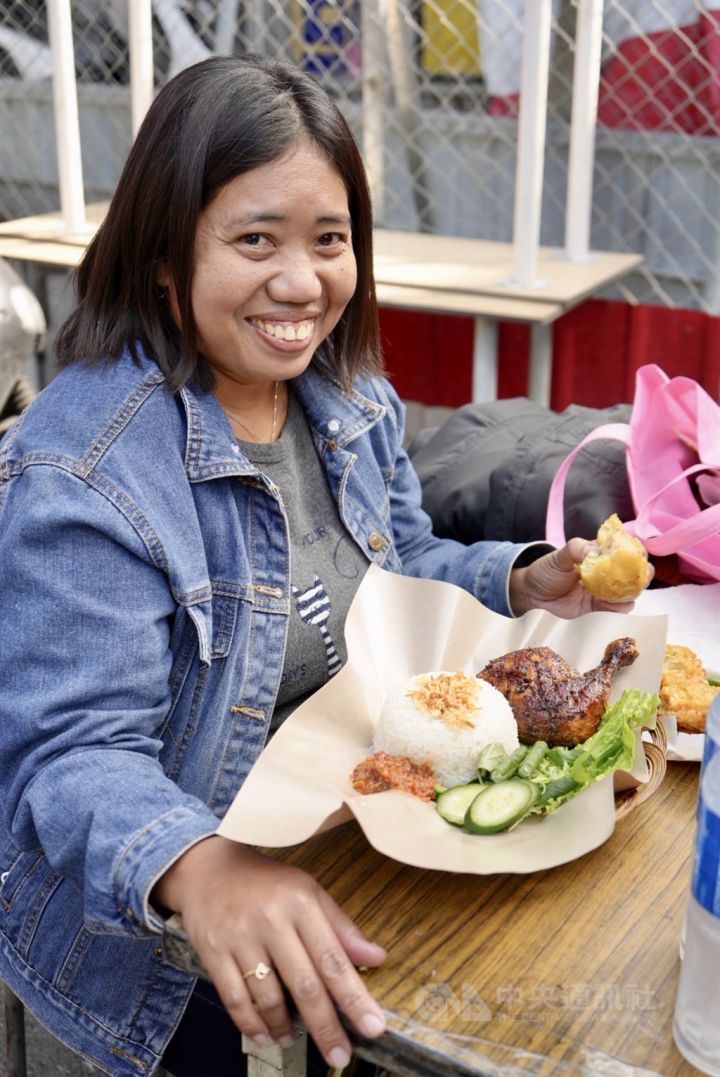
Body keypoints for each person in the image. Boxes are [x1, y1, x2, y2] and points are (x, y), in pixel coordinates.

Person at [0, 54, 642, 1077]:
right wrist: (202, 870)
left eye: (330, 241)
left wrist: (520, 580)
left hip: (343, 848)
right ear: (166, 256)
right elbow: (68, 754)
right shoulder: (84, 473)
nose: (303, 283)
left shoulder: (349, 396)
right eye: (256, 240)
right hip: (150, 940)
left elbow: (401, 562)